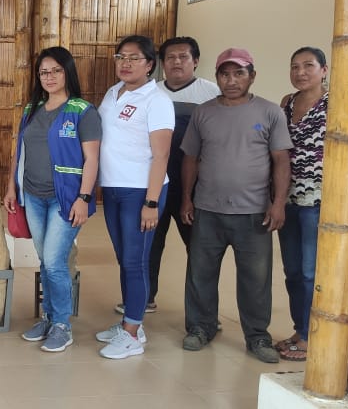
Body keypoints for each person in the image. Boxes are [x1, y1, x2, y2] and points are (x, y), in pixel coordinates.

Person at [180, 48, 291, 363]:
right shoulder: (203, 113)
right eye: (225, 74)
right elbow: (191, 158)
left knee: (256, 280)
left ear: (252, 76)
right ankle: (200, 327)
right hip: (208, 209)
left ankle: (257, 337)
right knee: (200, 274)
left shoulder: (270, 112)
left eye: (239, 73)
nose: (231, 80)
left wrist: (278, 204)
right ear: (217, 78)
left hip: (254, 213)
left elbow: (281, 161)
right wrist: (186, 198)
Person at [2, 47, 100, 352]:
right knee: (45, 260)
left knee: (55, 261)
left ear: (68, 72)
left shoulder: (83, 111)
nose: (50, 77)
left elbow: (92, 159)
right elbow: (20, 152)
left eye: (56, 70)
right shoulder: (31, 109)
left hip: (66, 199)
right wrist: (11, 187)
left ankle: (62, 325)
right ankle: (48, 317)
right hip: (33, 196)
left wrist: (84, 197)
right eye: (44, 72)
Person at [114, 37, 220, 316]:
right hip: (154, 184)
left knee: (198, 250)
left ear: (195, 61)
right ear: (160, 63)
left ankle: (202, 315)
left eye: (183, 57)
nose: (176, 62)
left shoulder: (211, 93)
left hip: (194, 187)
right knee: (149, 246)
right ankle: (143, 299)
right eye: (170, 57)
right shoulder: (151, 92)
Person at [94, 35, 173, 359]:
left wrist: (151, 203)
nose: (125, 63)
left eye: (134, 58)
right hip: (113, 188)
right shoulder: (113, 92)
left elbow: (162, 155)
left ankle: (131, 333)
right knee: (124, 258)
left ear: (150, 64)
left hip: (141, 191)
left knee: (135, 261)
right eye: (121, 57)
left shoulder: (157, 100)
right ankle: (131, 322)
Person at [274, 47, 328, 362]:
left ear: (324, 70)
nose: (300, 72)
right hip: (288, 197)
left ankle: (311, 337)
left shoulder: (335, 103)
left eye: (309, 65)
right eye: (295, 66)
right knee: (292, 270)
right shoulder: (287, 102)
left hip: (318, 201)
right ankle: (300, 330)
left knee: (310, 272)